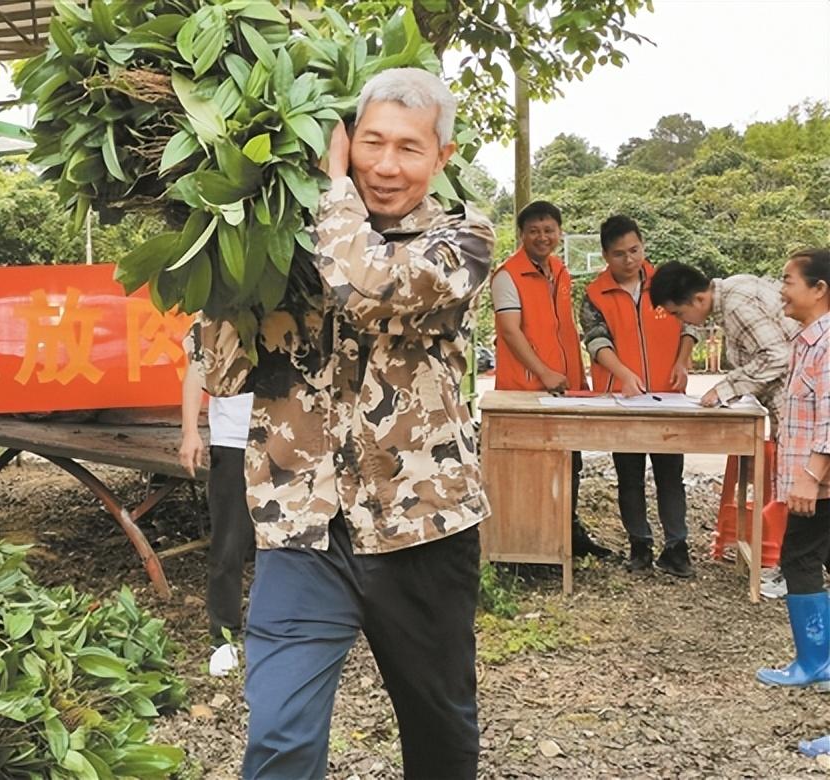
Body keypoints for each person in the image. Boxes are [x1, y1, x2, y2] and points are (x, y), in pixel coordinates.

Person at [189, 68, 494, 779]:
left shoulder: (462, 238)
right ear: (348, 139)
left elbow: (369, 289)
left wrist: (331, 187)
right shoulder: (294, 243)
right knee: (278, 735)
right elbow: (225, 372)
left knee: (439, 731)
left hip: (419, 528)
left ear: (442, 157)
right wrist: (234, 265)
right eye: (371, 142)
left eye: (410, 149)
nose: (385, 166)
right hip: (303, 526)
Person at [492, 200, 611, 559]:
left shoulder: (560, 271)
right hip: (527, 390)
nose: (542, 237)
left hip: (565, 386)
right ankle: (531, 545)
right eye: (534, 231)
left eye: (549, 230)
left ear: (559, 233)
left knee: (570, 461)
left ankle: (569, 534)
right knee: (532, 469)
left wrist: (577, 377)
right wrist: (542, 372)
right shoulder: (506, 276)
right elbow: (510, 332)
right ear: (521, 235)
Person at [578, 216, 697, 576]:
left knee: (670, 474)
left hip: (668, 395)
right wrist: (622, 374)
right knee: (629, 474)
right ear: (604, 255)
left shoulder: (667, 281)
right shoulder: (594, 293)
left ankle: (677, 547)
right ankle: (639, 545)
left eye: (634, 250)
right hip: (623, 399)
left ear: (643, 246)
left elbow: (691, 321)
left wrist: (683, 360)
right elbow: (596, 340)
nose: (629, 260)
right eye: (619, 254)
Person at [754, 248, 830, 695]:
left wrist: (811, 475)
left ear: (819, 289)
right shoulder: (807, 338)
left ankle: (814, 662)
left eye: (788, 281)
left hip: (817, 481)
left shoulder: (826, 343)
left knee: (799, 559)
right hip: (815, 477)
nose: (781, 289)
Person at [648, 261, 799, 435]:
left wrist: (724, 389)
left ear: (699, 299)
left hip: (795, 404)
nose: (680, 321)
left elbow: (776, 356)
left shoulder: (735, 306)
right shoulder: (737, 285)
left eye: (678, 313)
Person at [178, 355, 255, 676]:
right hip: (233, 438)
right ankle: (223, 636)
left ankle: (282, 630)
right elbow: (196, 370)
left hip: (287, 439)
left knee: (290, 539)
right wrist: (190, 433)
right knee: (228, 543)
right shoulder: (215, 311)